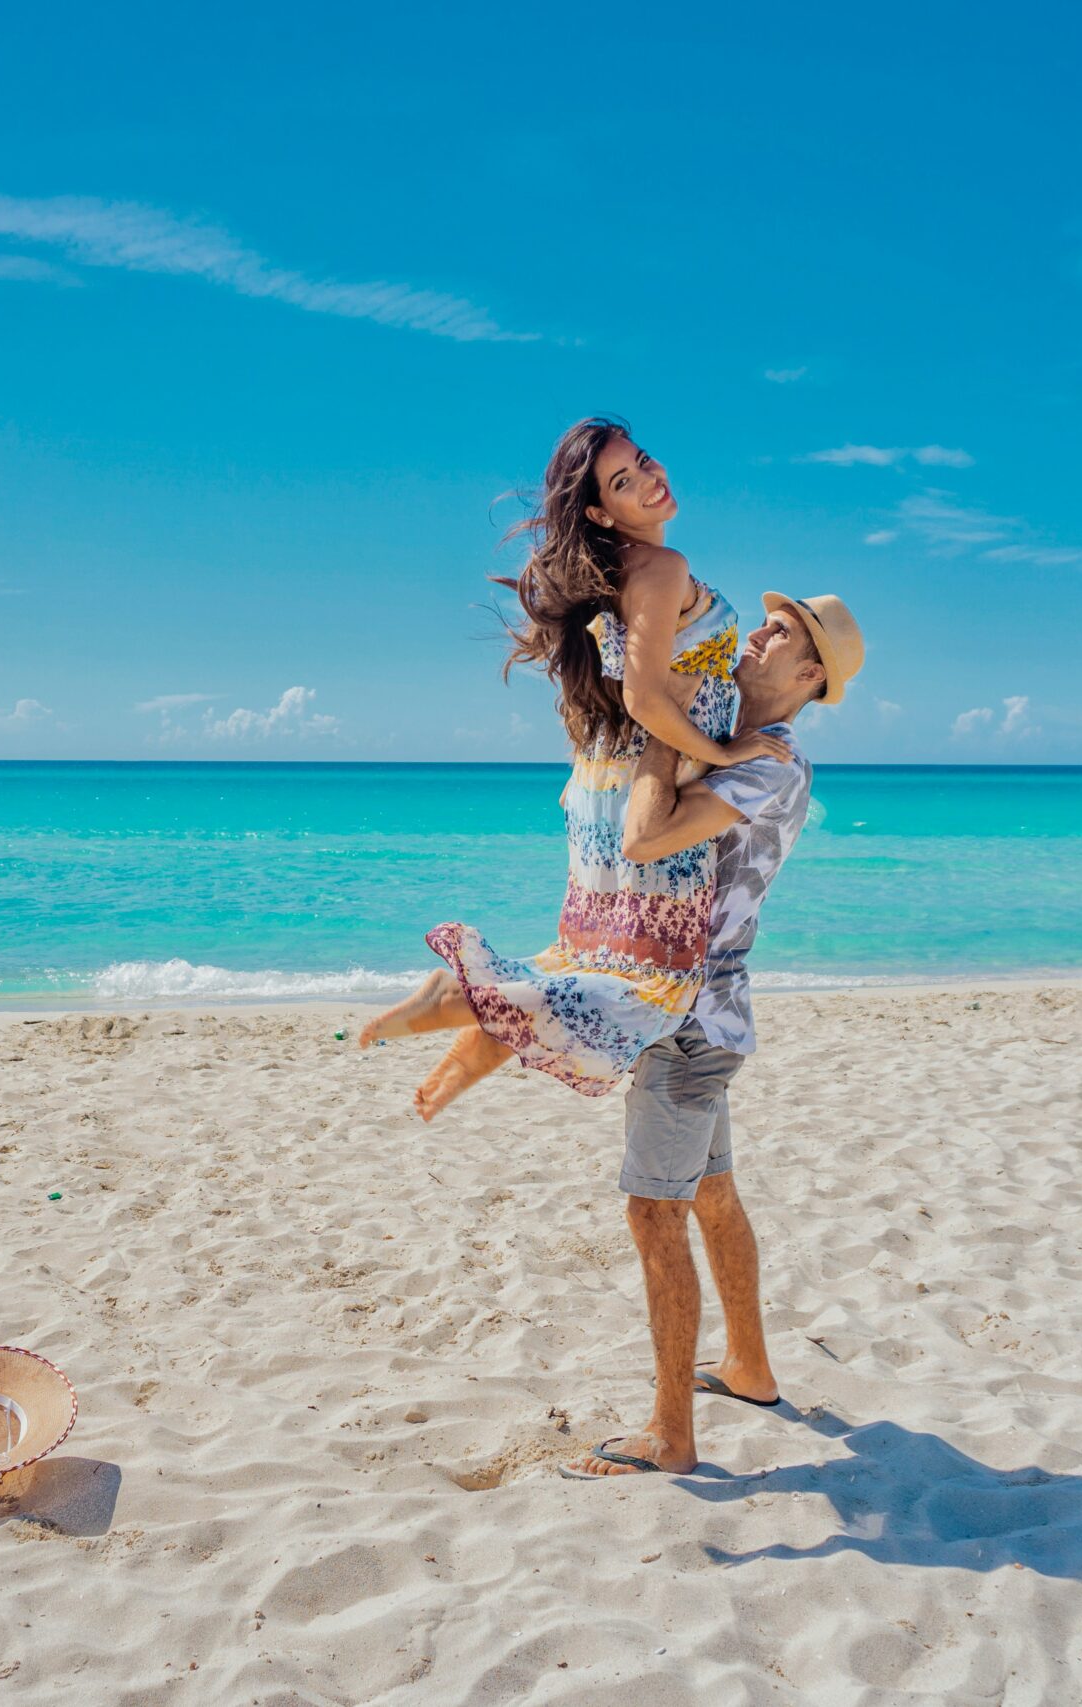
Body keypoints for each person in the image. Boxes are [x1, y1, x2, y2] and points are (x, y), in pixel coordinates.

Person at [358, 418, 789, 1119]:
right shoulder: (662, 567)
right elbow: (644, 696)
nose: (650, 478)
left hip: (604, 784)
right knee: (651, 982)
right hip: (647, 782)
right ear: (599, 513)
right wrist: (724, 752)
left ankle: (461, 1054)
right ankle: (455, 996)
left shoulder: (619, 573)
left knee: (586, 961)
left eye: (642, 461)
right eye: (623, 481)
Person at [559, 590, 865, 1479]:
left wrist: (663, 716)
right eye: (766, 620)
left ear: (810, 676)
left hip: (687, 1022)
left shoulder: (772, 768)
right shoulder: (739, 742)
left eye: (782, 632)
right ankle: (750, 1367)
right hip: (704, 1015)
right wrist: (694, 727)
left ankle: (671, 1435)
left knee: (654, 1209)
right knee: (712, 1195)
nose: (758, 633)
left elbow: (644, 835)